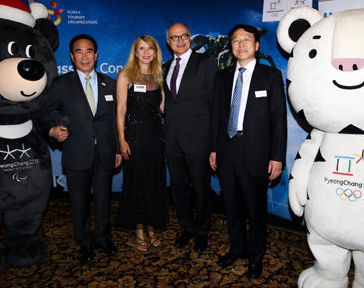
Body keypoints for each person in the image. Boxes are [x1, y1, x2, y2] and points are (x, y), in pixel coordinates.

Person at [209, 24, 287, 279]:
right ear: (231, 46)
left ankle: (256, 257)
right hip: (227, 150)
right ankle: (237, 249)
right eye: (235, 40)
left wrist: (277, 156)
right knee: (231, 208)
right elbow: (217, 118)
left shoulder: (270, 76)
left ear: (256, 45)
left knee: (256, 211)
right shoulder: (221, 78)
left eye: (246, 39)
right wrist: (213, 149)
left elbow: (279, 121)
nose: (240, 44)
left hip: (257, 153)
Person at [43, 34, 121, 263]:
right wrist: (52, 130)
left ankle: (102, 237)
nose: (84, 56)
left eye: (89, 51)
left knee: (104, 200)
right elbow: (44, 114)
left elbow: (115, 121)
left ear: (96, 55)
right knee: (79, 202)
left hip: (105, 153)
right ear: (71, 56)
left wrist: (116, 149)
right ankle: (84, 241)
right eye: (79, 51)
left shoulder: (111, 83)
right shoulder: (60, 84)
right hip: (76, 153)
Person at [163, 23, 218, 252]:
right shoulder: (164, 67)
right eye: (174, 37)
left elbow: (216, 105)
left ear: (190, 37)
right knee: (178, 188)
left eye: (184, 35)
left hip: (199, 139)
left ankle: (202, 231)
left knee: (201, 187)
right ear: (168, 41)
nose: (180, 40)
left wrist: (214, 144)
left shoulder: (206, 63)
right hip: (172, 139)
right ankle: (187, 227)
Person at [115, 35, 167, 252]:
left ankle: (152, 226)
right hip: (134, 139)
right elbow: (120, 110)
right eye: (142, 48)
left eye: (150, 49)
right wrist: (121, 140)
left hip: (155, 139)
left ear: (155, 53)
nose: (146, 52)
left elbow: (164, 109)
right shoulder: (126, 75)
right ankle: (138, 229)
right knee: (136, 185)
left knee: (153, 184)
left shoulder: (158, 77)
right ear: (135, 52)